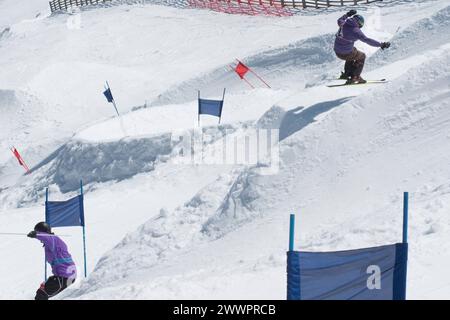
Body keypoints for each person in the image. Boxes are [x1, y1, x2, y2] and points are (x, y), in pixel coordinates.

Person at [334, 10, 391, 84]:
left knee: (353, 51)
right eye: (361, 24)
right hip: (345, 53)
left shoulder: (343, 23)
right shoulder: (355, 31)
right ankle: (356, 77)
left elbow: (339, 19)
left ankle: (347, 74)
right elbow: (367, 40)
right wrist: (381, 44)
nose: (360, 26)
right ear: (359, 23)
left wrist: (347, 14)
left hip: (337, 51)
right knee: (362, 56)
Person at [28, 222, 77, 300]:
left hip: (65, 276)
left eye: (38, 231)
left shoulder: (54, 240)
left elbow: (47, 237)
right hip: (64, 276)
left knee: (42, 294)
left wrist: (36, 234)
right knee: (41, 291)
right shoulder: (52, 242)